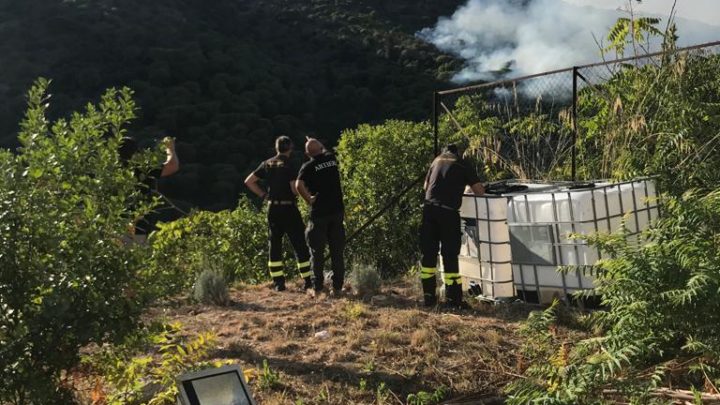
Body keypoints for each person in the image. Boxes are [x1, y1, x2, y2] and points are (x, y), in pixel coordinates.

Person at [420, 144, 484, 309]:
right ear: (458, 152)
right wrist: (465, 186)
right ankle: (453, 300)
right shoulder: (462, 163)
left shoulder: (435, 161)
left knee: (428, 255)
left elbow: (426, 187)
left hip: (429, 211)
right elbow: (479, 191)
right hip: (448, 213)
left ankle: (429, 298)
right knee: (449, 255)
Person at [244, 136, 313, 292]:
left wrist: (263, 195)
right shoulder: (289, 165)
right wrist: (305, 195)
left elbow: (249, 181)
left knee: (274, 245)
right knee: (299, 243)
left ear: (276, 148)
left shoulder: (267, 163)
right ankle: (308, 280)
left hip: (272, 209)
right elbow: (294, 188)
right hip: (288, 208)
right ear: (290, 148)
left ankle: (278, 283)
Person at [295, 137, 345, 296]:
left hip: (319, 214)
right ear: (321, 148)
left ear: (307, 153)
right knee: (337, 251)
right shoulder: (332, 159)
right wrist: (316, 143)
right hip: (337, 212)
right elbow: (324, 151)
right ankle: (337, 287)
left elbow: (298, 185)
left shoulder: (308, 166)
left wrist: (309, 199)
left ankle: (317, 288)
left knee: (317, 252)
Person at [119, 135, 179, 241]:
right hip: (138, 224)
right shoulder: (142, 170)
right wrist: (170, 148)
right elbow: (172, 166)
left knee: (118, 251)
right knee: (135, 252)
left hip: (113, 224)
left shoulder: (108, 172)